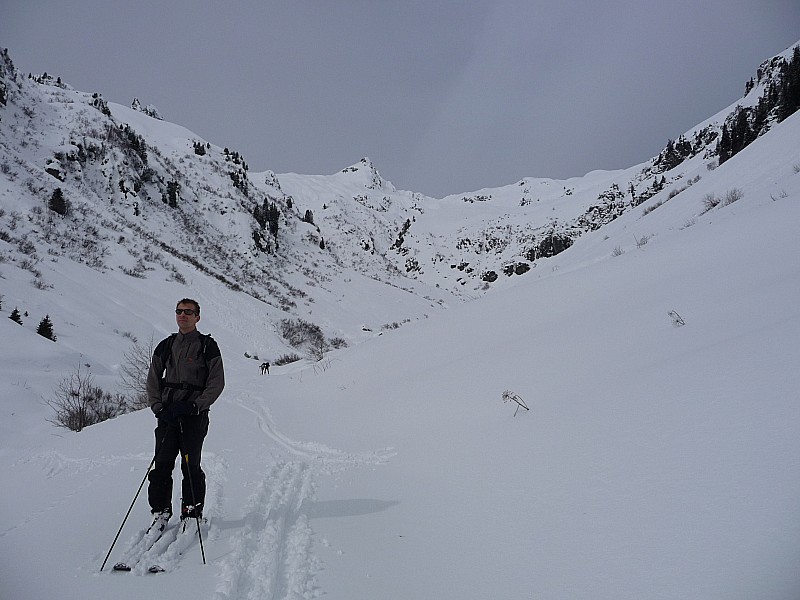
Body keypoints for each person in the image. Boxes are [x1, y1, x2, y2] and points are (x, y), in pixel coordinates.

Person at [145, 298, 224, 532]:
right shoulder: (166, 345)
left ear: (197, 317)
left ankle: (192, 512)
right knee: (162, 464)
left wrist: (196, 406)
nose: (183, 315)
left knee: (190, 465)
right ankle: (160, 512)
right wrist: (158, 407)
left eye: (188, 312)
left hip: (193, 416)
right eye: (179, 311)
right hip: (168, 415)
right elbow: (153, 379)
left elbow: (216, 383)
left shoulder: (207, 346)